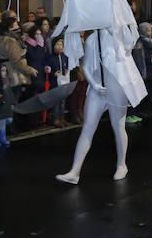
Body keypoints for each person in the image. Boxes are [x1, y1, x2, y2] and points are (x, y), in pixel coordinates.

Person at [55, 29, 145, 185]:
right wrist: (94, 84)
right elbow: (87, 67)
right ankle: (75, 171)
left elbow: (130, 46)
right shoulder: (91, 40)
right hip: (97, 90)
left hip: (116, 87)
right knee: (87, 129)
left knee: (118, 126)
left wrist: (117, 29)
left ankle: (121, 164)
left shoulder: (120, 33)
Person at [0, 12, 37, 103]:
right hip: (13, 75)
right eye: (15, 22)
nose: (18, 25)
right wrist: (30, 70)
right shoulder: (10, 40)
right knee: (13, 102)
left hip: (8, 72)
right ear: (9, 26)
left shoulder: (3, 37)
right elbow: (16, 61)